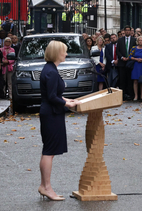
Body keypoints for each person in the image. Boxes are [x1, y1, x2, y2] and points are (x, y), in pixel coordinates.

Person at [38, 40, 79, 201]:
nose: (66, 54)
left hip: (51, 112)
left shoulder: (50, 69)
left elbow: (54, 94)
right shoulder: (52, 71)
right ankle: (46, 187)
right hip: (51, 114)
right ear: (57, 52)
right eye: (64, 51)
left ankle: (45, 186)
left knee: (48, 151)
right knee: (49, 152)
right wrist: (67, 103)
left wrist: (69, 100)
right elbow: (52, 97)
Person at [117, 26, 135, 100]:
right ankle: (122, 95)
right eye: (126, 30)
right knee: (122, 79)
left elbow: (135, 50)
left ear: (131, 31)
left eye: (128, 30)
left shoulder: (134, 40)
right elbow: (117, 50)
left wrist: (129, 57)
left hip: (130, 62)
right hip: (122, 62)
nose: (127, 32)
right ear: (124, 31)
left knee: (130, 79)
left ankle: (130, 94)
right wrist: (122, 57)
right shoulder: (120, 40)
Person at [129, 36, 142, 101]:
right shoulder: (134, 48)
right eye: (139, 40)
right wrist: (136, 59)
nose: (140, 41)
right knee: (135, 80)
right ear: (137, 41)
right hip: (135, 65)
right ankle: (136, 95)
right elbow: (130, 56)